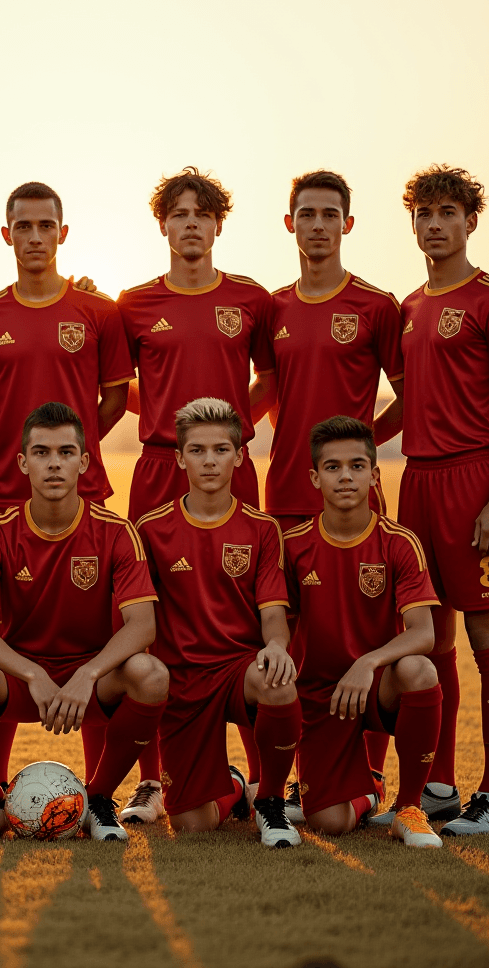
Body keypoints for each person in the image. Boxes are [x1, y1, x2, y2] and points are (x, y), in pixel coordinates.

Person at [116, 167, 274, 819]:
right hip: (157, 470)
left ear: (217, 225)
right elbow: (114, 388)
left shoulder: (252, 299)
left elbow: (270, 378)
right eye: (177, 214)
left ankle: (265, 778)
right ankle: (154, 782)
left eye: (201, 214)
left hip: (230, 471)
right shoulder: (134, 304)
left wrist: (232, 428)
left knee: (242, 617)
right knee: (152, 623)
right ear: (163, 226)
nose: (190, 224)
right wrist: (163, 419)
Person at [0, 403, 167, 843]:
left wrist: (89, 672)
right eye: (41, 452)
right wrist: (32, 673)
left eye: (65, 452)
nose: (54, 463)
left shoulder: (116, 531)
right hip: (23, 680)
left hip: (92, 680)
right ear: (23, 463)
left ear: (84, 461)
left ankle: (98, 800)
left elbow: (143, 626)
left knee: (151, 676)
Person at [249, 169, 405, 805]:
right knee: (283, 638)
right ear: (290, 224)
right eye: (305, 214)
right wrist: (214, 426)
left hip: (353, 501)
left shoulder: (376, 305)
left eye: (329, 214)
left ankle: (367, 775)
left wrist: (363, 444)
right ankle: (275, 780)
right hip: (283, 495)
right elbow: (263, 389)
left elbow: (411, 393)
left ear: (347, 222)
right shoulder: (274, 308)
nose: (317, 224)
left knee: (364, 630)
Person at [386, 165, 489, 835]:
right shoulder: (410, 308)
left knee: (486, 633)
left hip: (475, 482)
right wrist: (348, 437)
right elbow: (407, 402)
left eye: (448, 212)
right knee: (430, 634)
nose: (435, 223)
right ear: (412, 223)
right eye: (425, 213)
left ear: (471, 221)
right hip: (417, 481)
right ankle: (440, 784)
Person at [136, 399, 301, 847]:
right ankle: (233, 788)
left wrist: (277, 647)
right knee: (192, 823)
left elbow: (273, 616)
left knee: (279, 680)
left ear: (240, 456)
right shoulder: (150, 529)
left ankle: (269, 799)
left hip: (238, 670)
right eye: (198, 450)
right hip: (182, 681)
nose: (209, 460)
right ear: (179, 457)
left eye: (221, 449)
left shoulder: (263, 529)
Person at [285, 416, 443, 848]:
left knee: (419, 670)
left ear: (374, 474)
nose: (346, 477)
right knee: (329, 823)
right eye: (333, 467)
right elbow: (277, 629)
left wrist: (368, 662)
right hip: (320, 696)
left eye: (357, 466)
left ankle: (409, 808)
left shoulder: (398, 542)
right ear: (315, 477)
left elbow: (423, 632)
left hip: (376, 686)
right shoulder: (294, 547)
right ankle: (369, 792)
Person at [0, 182, 134, 522]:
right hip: (5, 489)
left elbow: (115, 402)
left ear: (63, 232)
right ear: (6, 234)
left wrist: (71, 447)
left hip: (81, 487)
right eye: (23, 227)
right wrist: (15, 446)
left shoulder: (100, 310)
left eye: (46, 226)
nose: (36, 237)